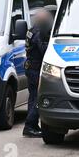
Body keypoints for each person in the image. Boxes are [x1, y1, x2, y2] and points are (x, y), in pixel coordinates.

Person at [23, 9, 54, 138]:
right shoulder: (39, 32)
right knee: (38, 98)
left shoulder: (31, 30)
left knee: (33, 97)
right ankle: (30, 125)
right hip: (36, 69)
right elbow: (44, 50)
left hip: (30, 67)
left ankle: (32, 126)